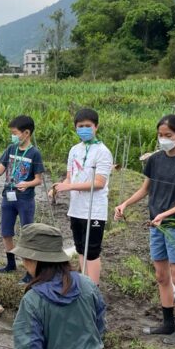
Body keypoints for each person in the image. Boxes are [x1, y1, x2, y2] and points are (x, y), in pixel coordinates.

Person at [115, 114, 175, 343]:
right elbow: (145, 190)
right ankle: (167, 323)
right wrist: (124, 203)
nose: (163, 139)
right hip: (156, 225)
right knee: (162, 276)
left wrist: (165, 214)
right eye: (160, 135)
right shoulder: (155, 160)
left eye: (168, 136)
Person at [0, 114, 45, 280]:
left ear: (26, 133)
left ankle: (30, 271)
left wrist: (27, 184)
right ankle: (10, 263)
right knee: (6, 232)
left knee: (27, 233)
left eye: (15, 133)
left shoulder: (34, 153)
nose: (13, 136)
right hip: (8, 196)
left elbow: (38, 180)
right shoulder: (10, 149)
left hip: (25, 199)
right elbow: (0, 171)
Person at [50, 108, 112, 284]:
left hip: (94, 210)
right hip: (76, 209)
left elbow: (99, 183)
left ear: (96, 127)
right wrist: (58, 187)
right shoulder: (74, 150)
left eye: (88, 126)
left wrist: (68, 186)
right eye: (80, 126)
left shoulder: (103, 152)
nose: (84, 129)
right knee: (80, 249)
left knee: (92, 251)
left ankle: (92, 288)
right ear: (75, 128)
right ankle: (84, 282)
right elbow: (70, 177)